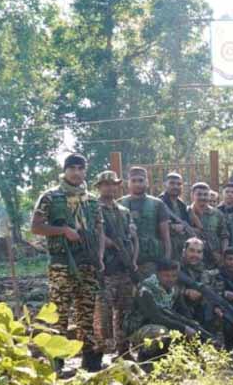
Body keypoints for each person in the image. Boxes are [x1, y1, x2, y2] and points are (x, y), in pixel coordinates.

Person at [32, 154, 105, 372]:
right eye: (71, 168)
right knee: (59, 314)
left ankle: (89, 363)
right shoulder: (50, 197)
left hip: (87, 264)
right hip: (61, 264)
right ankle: (56, 363)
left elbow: (100, 231)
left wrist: (99, 257)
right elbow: (36, 227)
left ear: (85, 171)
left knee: (87, 314)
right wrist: (63, 230)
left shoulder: (91, 200)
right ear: (65, 171)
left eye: (80, 168)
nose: (76, 172)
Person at [124, 260, 212, 362]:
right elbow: (156, 317)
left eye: (174, 276)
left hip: (162, 322)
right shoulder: (145, 289)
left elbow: (184, 311)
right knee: (160, 332)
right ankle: (145, 359)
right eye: (166, 276)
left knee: (191, 327)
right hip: (138, 327)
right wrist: (184, 328)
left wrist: (192, 325)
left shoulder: (174, 289)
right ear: (157, 275)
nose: (170, 279)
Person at [95, 170, 138, 355]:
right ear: (99, 187)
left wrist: (133, 260)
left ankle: (123, 350)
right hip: (105, 269)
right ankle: (102, 351)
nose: (110, 187)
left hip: (124, 268)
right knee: (103, 313)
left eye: (113, 184)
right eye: (106, 184)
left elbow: (133, 238)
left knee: (125, 311)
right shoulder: (93, 208)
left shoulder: (124, 211)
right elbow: (93, 235)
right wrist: (109, 244)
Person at [118, 167, 172, 279]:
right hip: (125, 260)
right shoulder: (119, 204)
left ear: (147, 182)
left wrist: (167, 258)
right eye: (133, 180)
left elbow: (165, 236)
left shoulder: (158, 204)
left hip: (151, 260)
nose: (137, 184)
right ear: (128, 183)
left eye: (141, 180)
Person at [187, 182, 229, 268]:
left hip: (214, 260)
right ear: (192, 195)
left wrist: (223, 255)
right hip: (191, 260)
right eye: (199, 194)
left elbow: (224, 236)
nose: (202, 197)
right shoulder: (185, 212)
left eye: (205, 194)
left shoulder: (217, 214)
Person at [160, 172, 193, 260]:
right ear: (165, 185)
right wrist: (172, 227)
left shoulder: (182, 204)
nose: (175, 186)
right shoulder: (159, 203)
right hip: (164, 246)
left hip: (180, 246)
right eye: (172, 183)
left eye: (179, 184)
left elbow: (187, 223)